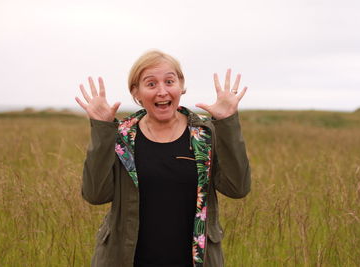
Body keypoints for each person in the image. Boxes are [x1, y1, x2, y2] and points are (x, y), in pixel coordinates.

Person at [75, 50, 251, 267]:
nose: (162, 91)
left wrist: (227, 123)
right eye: (150, 84)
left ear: (181, 86)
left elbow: (237, 188)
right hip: (128, 260)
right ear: (136, 93)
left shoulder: (205, 133)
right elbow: (95, 194)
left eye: (169, 81)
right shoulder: (122, 136)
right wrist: (102, 129)